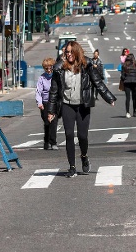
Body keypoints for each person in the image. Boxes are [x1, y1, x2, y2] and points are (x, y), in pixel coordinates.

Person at [47, 41, 116, 178]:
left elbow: (98, 82)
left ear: (77, 52)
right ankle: (72, 167)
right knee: (68, 135)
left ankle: (84, 156)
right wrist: (51, 111)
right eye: (67, 52)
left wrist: (109, 98)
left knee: (82, 136)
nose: (69, 54)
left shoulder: (87, 65)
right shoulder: (59, 68)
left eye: (71, 52)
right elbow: (54, 91)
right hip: (67, 104)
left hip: (83, 105)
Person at [35, 58, 59, 150]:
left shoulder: (56, 76)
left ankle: (53, 142)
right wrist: (39, 103)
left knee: (53, 121)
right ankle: (46, 140)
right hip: (45, 103)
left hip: (54, 103)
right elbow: (38, 91)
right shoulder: (42, 78)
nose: (49, 70)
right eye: (46, 69)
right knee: (47, 123)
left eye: (50, 68)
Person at [120, 53, 136, 118]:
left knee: (127, 98)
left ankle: (127, 112)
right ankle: (134, 111)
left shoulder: (124, 65)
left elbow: (122, 76)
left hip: (127, 82)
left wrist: (124, 79)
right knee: (134, 97)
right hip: (134, 82)